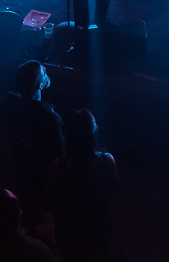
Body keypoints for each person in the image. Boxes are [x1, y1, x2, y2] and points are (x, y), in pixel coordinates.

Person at [0, 60, 65, 223]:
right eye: (44, 74)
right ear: (40, 85)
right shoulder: (51, 119)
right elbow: (60, 156)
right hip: (37, 178)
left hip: (11, 169)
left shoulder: (7, 103)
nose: (46, 74)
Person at [50, 109, 118, 261]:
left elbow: (54, 198)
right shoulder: (107, 161)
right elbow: (114, 191)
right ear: (94, 132)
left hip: (68, 225)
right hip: (98, 224)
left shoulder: (58, 165)